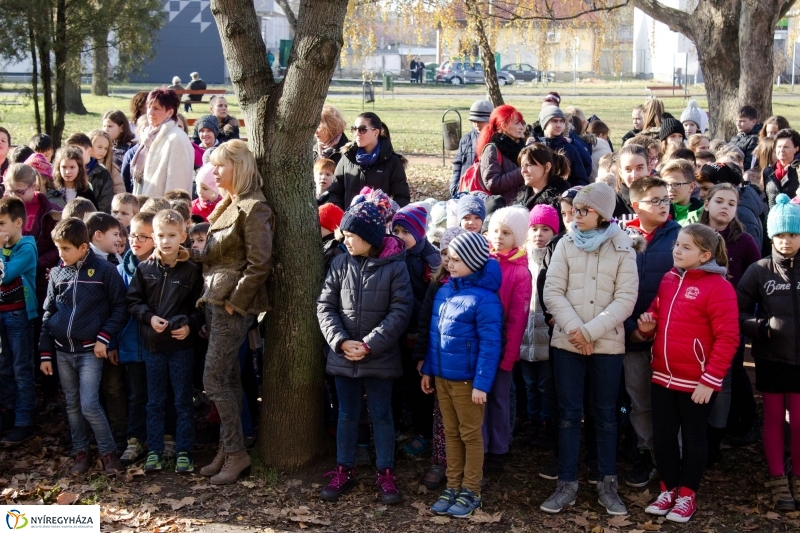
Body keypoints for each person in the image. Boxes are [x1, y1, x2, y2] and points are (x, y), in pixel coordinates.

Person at [541, 182, 639, 516]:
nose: (576, 217)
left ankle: (607, 483)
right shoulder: (565, 244)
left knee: (607, 415)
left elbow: (625, 298)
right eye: (574, 210)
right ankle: (566, 483)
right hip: (568, 343)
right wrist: (574, 330)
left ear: (602, 214)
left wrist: (590, 332)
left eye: (584, 211)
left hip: (606, 346)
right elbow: (553, 290)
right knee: (569, 415)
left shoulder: (623, 247)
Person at [637, 224, 738, 523]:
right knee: (665, 436)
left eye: (685, 247)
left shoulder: (719, 287)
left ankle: (687, 495)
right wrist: (647, 326)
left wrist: (710, 379)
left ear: (705, 255)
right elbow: (657, 312)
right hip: (662, 376)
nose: (677, 251)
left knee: (694, 438)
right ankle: (668, 489)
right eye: (676, 245)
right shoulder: (669, 279)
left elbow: (728, 337)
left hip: (697, 382)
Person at [317, 200, 413, 504]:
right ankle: (343, 467)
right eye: (343, 234)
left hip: (380, 357)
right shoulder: (339, 263)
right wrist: (341, 342)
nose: (345, 240)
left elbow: (401, 310)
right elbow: (325, 306)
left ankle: (385, 471)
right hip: (343, 355)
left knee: (382, 414)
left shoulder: (396, 266)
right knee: (346, 414)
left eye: (350, 235)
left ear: (369, 237)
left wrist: (371, 343)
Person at [188, 140, 273, 484]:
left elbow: (259, 263)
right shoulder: (228, 204)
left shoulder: (255, 208)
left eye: (221, 165)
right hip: (213, 301)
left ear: (238, 168)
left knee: (212, 379)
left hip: (232, 308)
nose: (214, 172)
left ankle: (237, 454)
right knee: (227, 379)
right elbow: (216, 255)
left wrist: (235, 301)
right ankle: (228, 449)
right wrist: (188, 256)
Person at [420, 232, 503, 517]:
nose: (450, 264)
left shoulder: (486, 299)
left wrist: (481, 384)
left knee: (470, 435)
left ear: (473, 261)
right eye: (449, 259)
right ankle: (453, 485)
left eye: (456, 260)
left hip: (468, 382)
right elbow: (435, 335)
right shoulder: (444, 291)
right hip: (443, 378)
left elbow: (491, 345)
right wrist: (429, 369)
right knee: (451, 433)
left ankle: (472, 490)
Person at [39, 218, 128, 475]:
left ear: (83, 247)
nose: (61, 254)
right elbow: (49, 313)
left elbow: (119, 308)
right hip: (62, 351)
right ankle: (81, 452)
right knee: (72, 404)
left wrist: (104, 337)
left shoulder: (104, 271)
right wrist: (45, 353)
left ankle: (108, 452)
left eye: (66, 248)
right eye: (58, 248)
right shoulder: (57, 273)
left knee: (89, 403)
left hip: (90, 351)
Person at [127, 209, 203, 474]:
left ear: (183, 236)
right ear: (154, 237)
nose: (166, 241)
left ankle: (184, 451)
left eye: (172, 235)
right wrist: (149, 318)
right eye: (160, 235)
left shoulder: (192, 271)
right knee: (154, 400)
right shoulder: (144, 269)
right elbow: (133, 302)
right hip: (154, 346)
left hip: (181, 347)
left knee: (183, 400)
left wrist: (189, 325)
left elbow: (200, 307)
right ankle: (155, 451)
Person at [738, 194, 800, 511]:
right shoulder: (759, 270)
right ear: (771, 236)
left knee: (799, 420)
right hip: (771, 358)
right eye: (779, 235)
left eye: (792, 234)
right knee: (775, 417)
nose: (786, 241)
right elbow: (738, 310)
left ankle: (798, 476)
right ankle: (778, 478)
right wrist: (761, 327)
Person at [619, 177, 680, 488]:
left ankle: (672, 458)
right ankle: (646, 453)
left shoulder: (679, 237)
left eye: (664, 199)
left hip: (671, 339)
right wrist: (632, 331)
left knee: (670, 403)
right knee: (639, 400)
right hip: (633, 338)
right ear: (636, 206)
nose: (662, 204)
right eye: (654, 200)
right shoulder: (621, 239)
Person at [390, 204, 441, 458]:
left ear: (419, 233)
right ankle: (399, 425)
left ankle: (423, 432)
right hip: (397, 333)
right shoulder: (392, 255)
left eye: (405, 232)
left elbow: (431, 301)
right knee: (399, 382)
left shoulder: (431, 261)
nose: (399, 236)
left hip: (421, 333)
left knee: (422, 385)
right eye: (395, 230)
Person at [485, 207, 532, 470]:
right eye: (495, 231)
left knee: (500, 399)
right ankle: (481, 445)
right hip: (481, 344)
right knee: (480, 397)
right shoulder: (483, 261)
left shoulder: (520, 272)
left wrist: (510, 355)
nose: (499, 237)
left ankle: (499, 448)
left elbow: (517, 320)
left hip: (503, 346)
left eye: (506, 233)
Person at [116, 210, 155, 466]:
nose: (135, 240)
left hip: (157, 345)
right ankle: (136, 439)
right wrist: (111, 342)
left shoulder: (162, 269)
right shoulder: (120, 270)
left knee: (161, 395)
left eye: (143, 236)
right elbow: (114, 309)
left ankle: (163, 439)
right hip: (130, 344)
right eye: (132, 234)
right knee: (137, 395)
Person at [519, 204, 559, 448]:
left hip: (546, 336)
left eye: (546, 229)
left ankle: (546, 424)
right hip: (524, 334)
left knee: (545, 384)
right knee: (529, 384)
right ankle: (531, 422)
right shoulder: (522, 259)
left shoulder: (555, 259)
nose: (539, 234)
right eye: (534, 228)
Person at [0, 197, 39, 444]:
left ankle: (24, 422)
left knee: (21, 369)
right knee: (4, 369)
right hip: (2, 314)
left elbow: (4, 276)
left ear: (18, 223)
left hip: (19, 316)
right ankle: (7, 415)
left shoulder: (27, 247)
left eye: (1, 223)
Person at [329, 112, 410, 209]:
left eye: (362, 129)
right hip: (348, 221)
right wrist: (342, 216)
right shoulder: (347, 157)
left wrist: (385, 214)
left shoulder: (392, 161)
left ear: (376, 132)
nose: (357, 134)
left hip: (379, 222)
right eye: (354, 129)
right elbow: (335, 193)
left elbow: (402, 197)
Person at [131, 87, 194, 198]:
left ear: (170, 112)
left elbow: (177, 184)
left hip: (162, 210)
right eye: (149, 107)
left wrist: (168, 212)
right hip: (144, 204)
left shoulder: (177, 139)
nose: (150, 112)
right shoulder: (148, 135)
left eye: (156, 108)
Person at [474, 105, 527, 203]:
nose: (521, 127)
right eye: (517, 123)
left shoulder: (521, 146)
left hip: (522, 204)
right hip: (503, 208)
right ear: (504, 126)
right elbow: (492, 184)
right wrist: (523, 171)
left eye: (521, 123)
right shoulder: (492, 149)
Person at [515, 145, 570, 230]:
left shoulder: (561, 201)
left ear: (547, 167)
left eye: (528, 165)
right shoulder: (520, 200)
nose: (523, 170)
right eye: (522, 166)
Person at [537, 106, 588, 187]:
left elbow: (581, 180)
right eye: (554, 121)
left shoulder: (570, 149)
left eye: (561, 121)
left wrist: (569, 195)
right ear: (544, 123)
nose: (559, 125)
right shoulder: (535, 148)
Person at [451, 100, 493, 197]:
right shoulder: (466, 140)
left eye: (480, 121)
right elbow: (458, 164)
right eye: (474, 121)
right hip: (464, 190)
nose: (476, 125)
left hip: (486, 193)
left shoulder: (496, 140)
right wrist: (454, 186)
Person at [67, 133, 114, 213]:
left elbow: (104, 207)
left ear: (89, 150)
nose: (72, 155)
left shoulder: (102, 174)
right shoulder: (63, 171)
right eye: (69, 151)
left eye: (77, 151)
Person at [763, 128, 800, 209]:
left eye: (786, 147)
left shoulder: (798, 170)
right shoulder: (768, 171)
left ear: (796, 148)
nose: (782, 150)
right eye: (779, 147)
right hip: (774, 218)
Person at [661, 159, 703, 225]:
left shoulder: (702, 213)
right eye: (665, 185)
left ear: (691, 187)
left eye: (676, 184)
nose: (669, 189)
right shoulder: (659, 210)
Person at [614, 144, 650, 220]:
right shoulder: (612, 203)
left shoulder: (662, 200)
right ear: (621, 173)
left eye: (639, 168)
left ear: (648, 170)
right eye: (628, 169)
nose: (634, 175)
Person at [90, 130, 126, 194]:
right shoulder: (79, 164)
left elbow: (120, 191)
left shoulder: (112, 168)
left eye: (105, 148)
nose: (102, 151)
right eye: (99, 147)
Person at [730, 105, 762, 170]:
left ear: (753, 122)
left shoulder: (755, 139)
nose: (738, 124)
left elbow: (748, 164)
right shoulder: (737, 137)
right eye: (737, 121)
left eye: (742, 121)